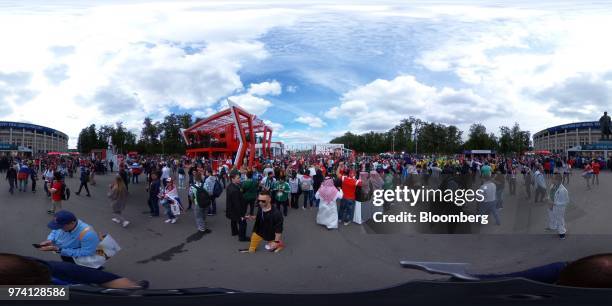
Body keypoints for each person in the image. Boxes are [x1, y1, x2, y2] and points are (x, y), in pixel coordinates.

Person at [0, 253, 149, 289]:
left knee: (94, 271)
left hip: (83, 260)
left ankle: (133, 288)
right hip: (73, 265)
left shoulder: (86, 232)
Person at [226, 172, 248, 242]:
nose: (240, 179)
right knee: (243, 223)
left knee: (233, 220)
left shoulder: (230, 186)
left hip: (231, 209)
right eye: (238, 178)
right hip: (236, 210)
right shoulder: (234, 190)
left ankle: (234, 232)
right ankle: (242, 237)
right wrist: (241, 214)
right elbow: (237, 204)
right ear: (232, 179)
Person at [547, 173, 569, 240]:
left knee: (560, 219)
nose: (551, 179)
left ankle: (562, 233)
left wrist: (554, 203)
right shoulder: (553, 185)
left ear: (558, 180)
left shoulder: (563, 190)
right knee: (552, 216)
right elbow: (550, 193)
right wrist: (548, 199)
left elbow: (566, 201)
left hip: (559, 207)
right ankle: (553, 226)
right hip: (551, 205)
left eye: (553, 178)